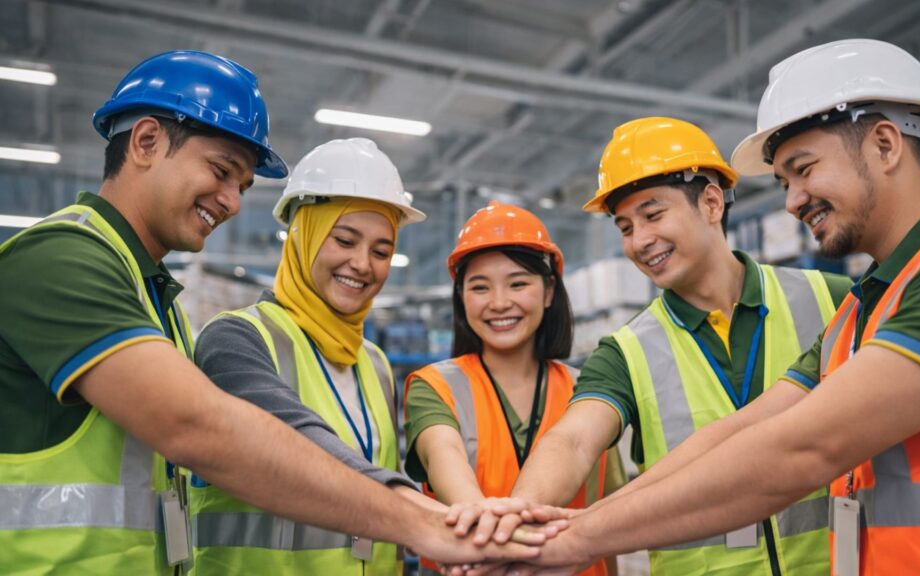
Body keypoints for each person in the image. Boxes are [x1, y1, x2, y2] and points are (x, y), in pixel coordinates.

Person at [0, 51, 544, 574]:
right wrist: (427, 524)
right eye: (221, 171)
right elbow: (196, 427)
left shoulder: (156, 299)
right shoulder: (62, 257)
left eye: (241, 185)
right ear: (145, 141)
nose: (233, 202)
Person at [510, 38, 920, 576]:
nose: (792, 201)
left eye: (804, 169)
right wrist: (556, 529)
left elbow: (804, 448)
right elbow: (738, 432)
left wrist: (572, 541)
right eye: (784, 181)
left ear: (885, 144)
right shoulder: (860, 310)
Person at [499, 117, 852, 575]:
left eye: (653, 215)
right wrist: (517, 520)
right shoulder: (625, 352)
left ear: (711, 202)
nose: (640, 241)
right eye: (625, 227)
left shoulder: (833, 299)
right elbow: (573, 441)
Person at [189, 138, 434, 574]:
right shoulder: (237, 340)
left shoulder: (375, 364)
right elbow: (299, 444)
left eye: (381, 251)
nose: (363, 264)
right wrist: (430, 519)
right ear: (304, 236)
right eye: (344, 240)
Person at [404, 202, 626, 575]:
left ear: (549, 291)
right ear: (461, 297)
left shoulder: (590, 393)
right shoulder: (434, 386)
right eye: (480, 287)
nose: (500, 303)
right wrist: (494, 537)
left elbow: (606, 514)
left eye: (518, 283)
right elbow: (447, 460)